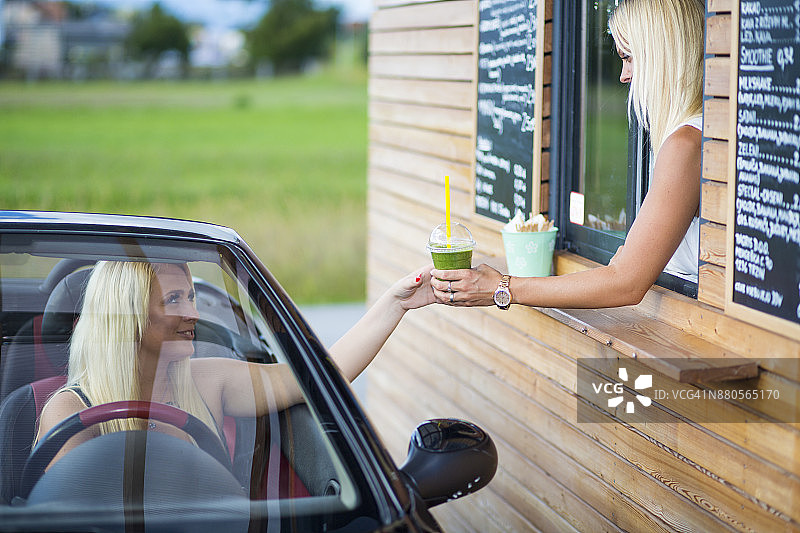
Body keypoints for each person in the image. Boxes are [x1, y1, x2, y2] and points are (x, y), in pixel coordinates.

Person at [431, 0, 705, 309]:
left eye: (628, 58)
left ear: (662, 55)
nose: (623, 75)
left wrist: (502, 287)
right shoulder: (687, 138)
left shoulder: (685, 144)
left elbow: (626, 283)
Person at [36, 260, 434, 466]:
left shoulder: (207, 380)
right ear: (129, 315)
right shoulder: (69, 410)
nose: (194, 314)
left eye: (191, 297)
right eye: (174, 300)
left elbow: (322, 374)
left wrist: (395, 303)